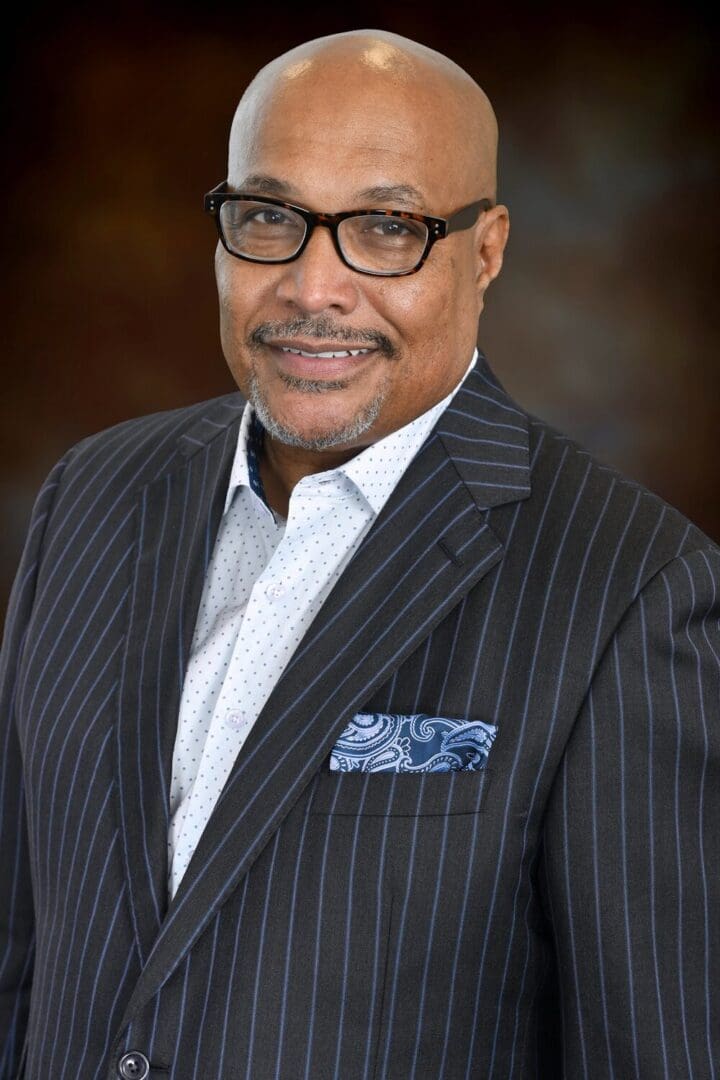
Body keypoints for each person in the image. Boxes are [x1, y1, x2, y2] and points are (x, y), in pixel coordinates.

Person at [0, 28, 717, 1080]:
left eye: (386, 228)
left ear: (486, 250)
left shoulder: (632, 593)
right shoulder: (91, 500)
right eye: (269, 218)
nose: (311, 288)